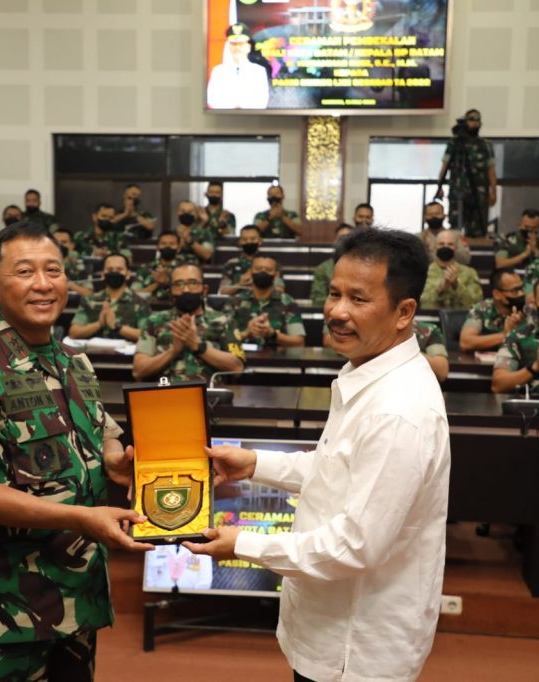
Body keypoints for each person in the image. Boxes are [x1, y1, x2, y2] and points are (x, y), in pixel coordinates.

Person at [184, 228, 450, 682]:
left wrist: (242, 545)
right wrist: (254, 463)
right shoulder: (366, 371)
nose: (337, 312)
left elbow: (355, 545)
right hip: (328, 624)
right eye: (333, 293)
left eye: (358, 299)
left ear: (404, 312)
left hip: (355, 648)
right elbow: (336, 468)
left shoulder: (399, 410)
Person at [0, 221, 152, 681]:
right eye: (25, 272)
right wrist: (83, 518)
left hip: (78, 601)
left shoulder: (75, 361)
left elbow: (105, 434)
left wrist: (113, 459)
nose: (44, 284)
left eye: (54, 270)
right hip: (5, 612)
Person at [133, 262, 245, 383]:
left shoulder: (224, 321)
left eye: (192, 283)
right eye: (178, 284)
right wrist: (173, 351)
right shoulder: (154, 321)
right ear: (170, 291)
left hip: (209, 397)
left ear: (204, 289)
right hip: (165, 395)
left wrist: (198, 346)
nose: (186, 290)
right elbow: (138, 372)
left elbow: (237, 368)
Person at [435, 109, 496, 237]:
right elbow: (445, 165)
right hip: (457, 191)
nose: (474, 123)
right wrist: (439, 187)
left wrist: (493, 191)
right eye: (471, 119)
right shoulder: (454, 143)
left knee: (477, 229)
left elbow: (491, 170)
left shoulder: (485, 145)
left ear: (480, 124)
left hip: (478, 193)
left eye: (476, 120)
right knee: (455, 227)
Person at [227, 256, 306, 349]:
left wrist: (272, 334)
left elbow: (299, 342)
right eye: (258, 269)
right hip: (239, 357)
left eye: (268, 270)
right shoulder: (236, 301)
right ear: (250, 271)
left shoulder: (288, 303)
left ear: (276, 275)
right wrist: (246, 332)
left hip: (276, 359)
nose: (262, 272)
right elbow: (222, 339)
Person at [69, 253, 149, 342]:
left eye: (119, 269)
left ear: (128, 274)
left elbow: (146, 335)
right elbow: (74, 332)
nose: (114, 272)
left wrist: (117, 327)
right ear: (103, 274)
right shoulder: (90, 300)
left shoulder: (140, 302)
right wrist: (99, 324)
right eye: (110, 269)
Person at [460, 268, 527, 352]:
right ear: (497, 294)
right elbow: (466, 342)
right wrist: (504, 335)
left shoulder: (528, 309)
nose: (521, 294)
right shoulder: (482, 309)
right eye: (514, 290)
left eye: (522, 288)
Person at [206, 23, 270, 110]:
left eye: (241, 44)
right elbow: (212, 100)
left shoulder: (258, 71)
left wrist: (240, 105)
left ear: (248, 47)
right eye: (233, 44)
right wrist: (234, 106)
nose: (237, 48)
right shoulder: (218, 71)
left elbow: (261, 102)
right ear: (229, 47)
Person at [420, 229, 483, 310]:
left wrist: (456, 285)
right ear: (434, 247)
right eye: (441, 244)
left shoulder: (469, 273)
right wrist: (441, 288)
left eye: (450, 244)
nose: (446, 247)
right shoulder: (423, 272)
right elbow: (420, 303)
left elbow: (477, 304)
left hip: (462, 319)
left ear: (456, 247)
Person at [219, 225, 284, 295]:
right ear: (240, 242)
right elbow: (223, 292)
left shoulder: (271, 263)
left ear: (260, 241)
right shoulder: (231, 264)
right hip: (237, 303)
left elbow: (280, 291)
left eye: (253, 239)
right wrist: (240, 284)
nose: (249, 242)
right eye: (245, 240)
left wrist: (260, 282)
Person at [133, 231, 192, 302]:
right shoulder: (145, 268)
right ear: (157, 247)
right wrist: (157, 283)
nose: (168, 246)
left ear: (178, 247)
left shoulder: (186, 268)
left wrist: (167, 281)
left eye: (172, 244)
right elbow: (134, 295)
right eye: (164, 243)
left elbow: (190, 293)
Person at [310, 223, 354, 306]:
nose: (345, 242)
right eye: (341, 238)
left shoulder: (364, 268)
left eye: (349, 238)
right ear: (335, 242)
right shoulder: (323, 268)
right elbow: (318, 300)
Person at [420, 201, 471, 265]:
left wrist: (450, 249)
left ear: (444, 216)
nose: (434, 217)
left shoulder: (456, 235)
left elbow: (466, 259)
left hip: (454, 272)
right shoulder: (418, 238)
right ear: (424, 217)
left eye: (437, 214)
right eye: (430, 214)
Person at [51, 227, 93, 297]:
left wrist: (69, 285)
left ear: (72, 245)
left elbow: (89, 294)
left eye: (64, 242)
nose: (59, 245)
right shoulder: (42, 264)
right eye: (56, 242)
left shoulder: (80, 265)